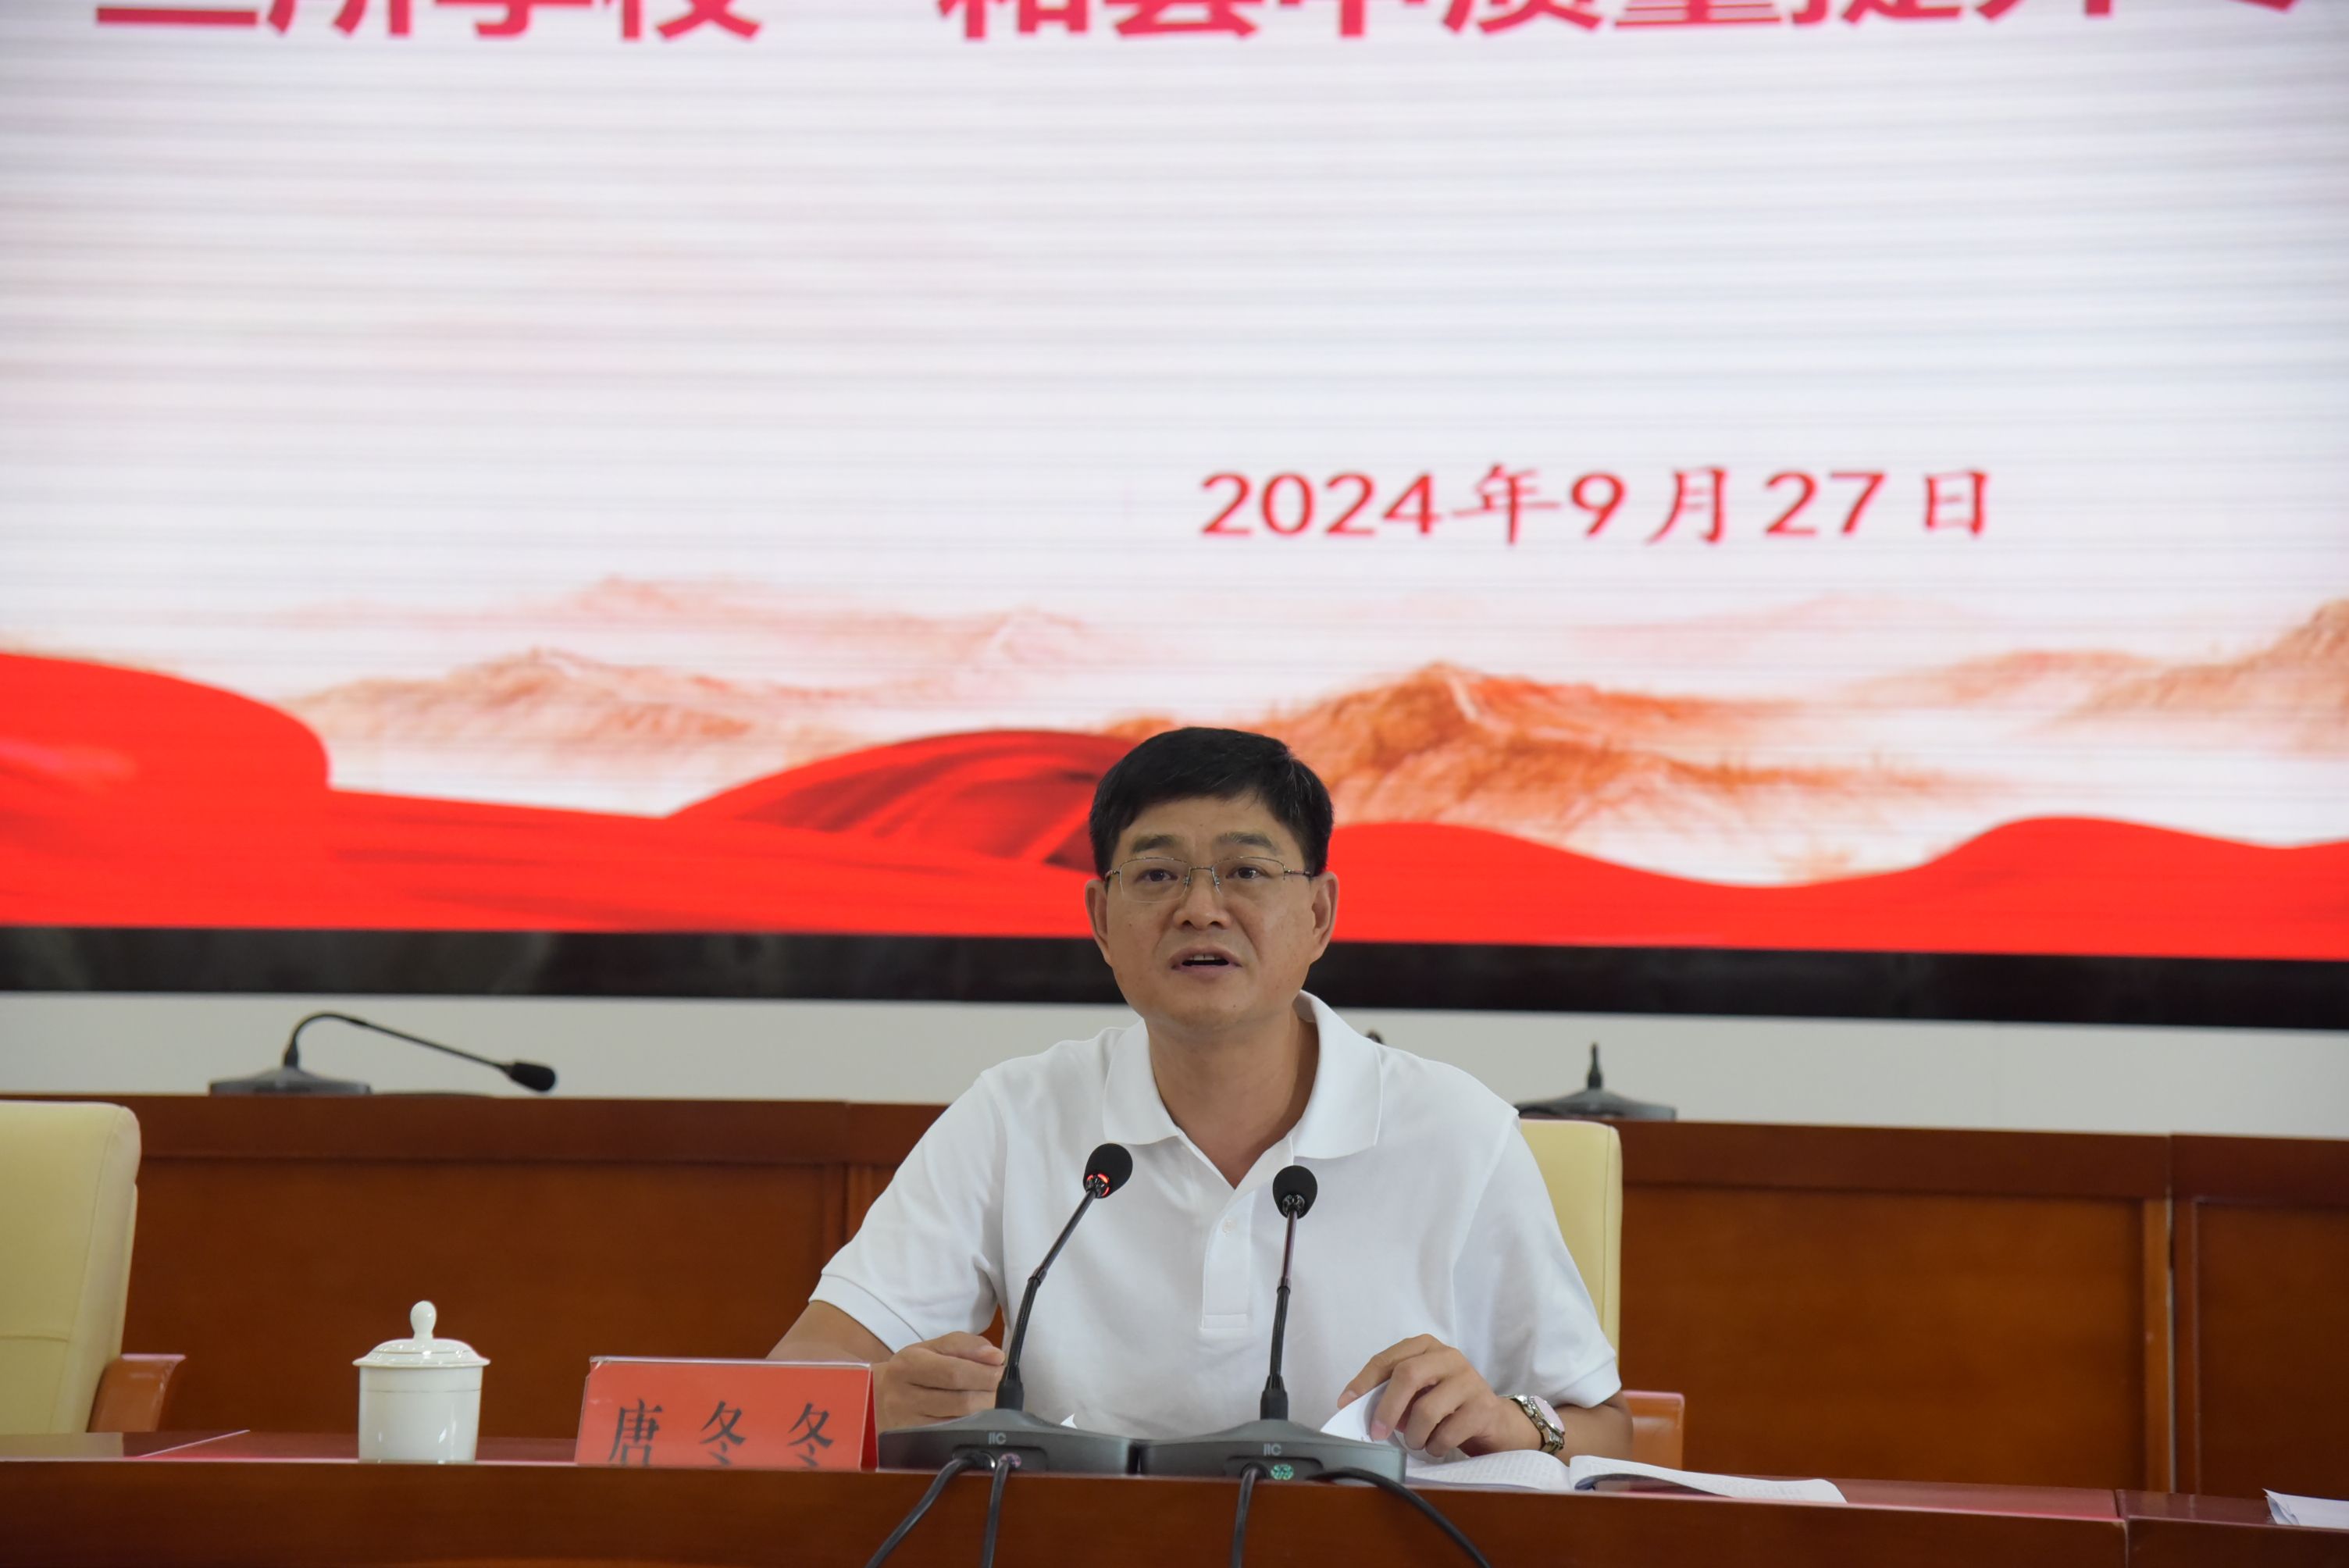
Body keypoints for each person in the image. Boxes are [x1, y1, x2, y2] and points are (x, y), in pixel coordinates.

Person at [771, 727, 1632, 1461]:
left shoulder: (1455, 1130)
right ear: (1100, 920)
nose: (1199, 909)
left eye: (1245, 872)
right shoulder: (1015, 1114)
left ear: (1320, 915)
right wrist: (878, 1400)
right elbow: (797, 1376)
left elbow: (1612, 1432)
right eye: (1156, 876)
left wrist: (1515, 1424)